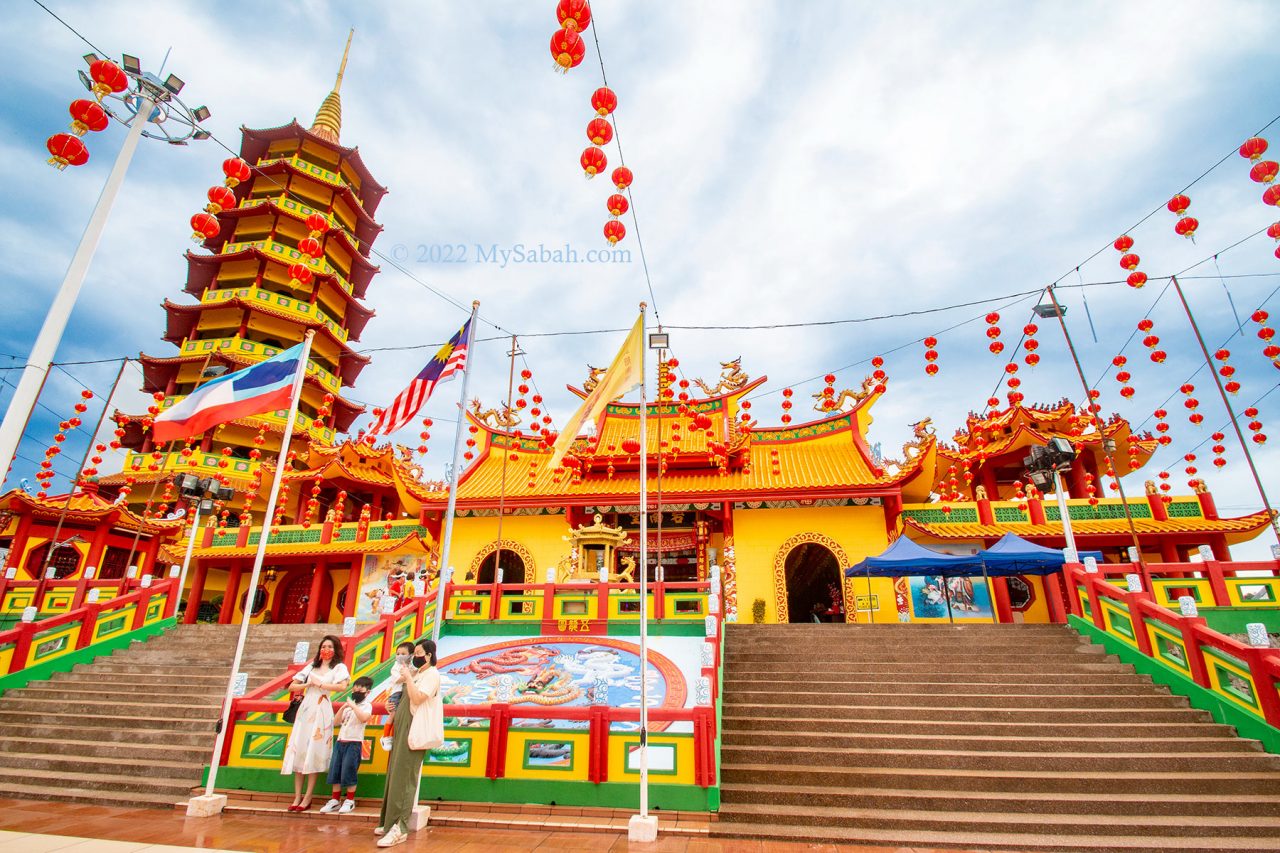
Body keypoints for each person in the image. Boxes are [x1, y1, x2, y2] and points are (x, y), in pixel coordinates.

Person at [375, 638, 443, 847]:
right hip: (402, 725)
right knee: (395, 774)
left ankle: (399, 827)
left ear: (429, 655)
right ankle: (388, 822)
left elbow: (418, 698)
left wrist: (408, 678)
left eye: (419, 652)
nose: (415, 657)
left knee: (405, 778)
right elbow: (402, 695)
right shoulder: (418, 673)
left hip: (414, 729)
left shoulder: (432, 674)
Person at [282, 635, 350, 812]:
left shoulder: (339, 668)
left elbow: (343, 686)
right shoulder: (312, 666)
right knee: (299, 749)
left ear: (335, 650)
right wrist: (308, 684)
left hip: (322, 708)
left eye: (329, 646)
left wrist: (323, 685)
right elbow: (291, 686)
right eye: (323, 646)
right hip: (306, 708)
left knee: (314, 751)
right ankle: (297, 796)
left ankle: (308, 796)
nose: (326, 649)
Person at [320, 675, 374, 814]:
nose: (357, 689)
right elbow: (336, 721)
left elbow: (364, 718)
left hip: (354, 743)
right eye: (355, 687)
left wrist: (354, 706)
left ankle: (350, 800)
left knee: (348, 771)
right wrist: (344, 707)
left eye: (361, 688)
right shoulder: (348, 707)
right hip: (340, 741)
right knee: (335, 771)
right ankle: (335, 800)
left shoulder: (366, 706)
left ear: (368, 692)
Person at [380, 642, 415, 751]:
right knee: (393, 714)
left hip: (405, 693)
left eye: (403, 653)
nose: (400, 656)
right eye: (398, 653)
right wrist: (408, 675)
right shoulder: (396, 667)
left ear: (411, 655)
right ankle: (385, 736)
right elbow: (398, 679)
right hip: (396, 693)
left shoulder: (411, 665)